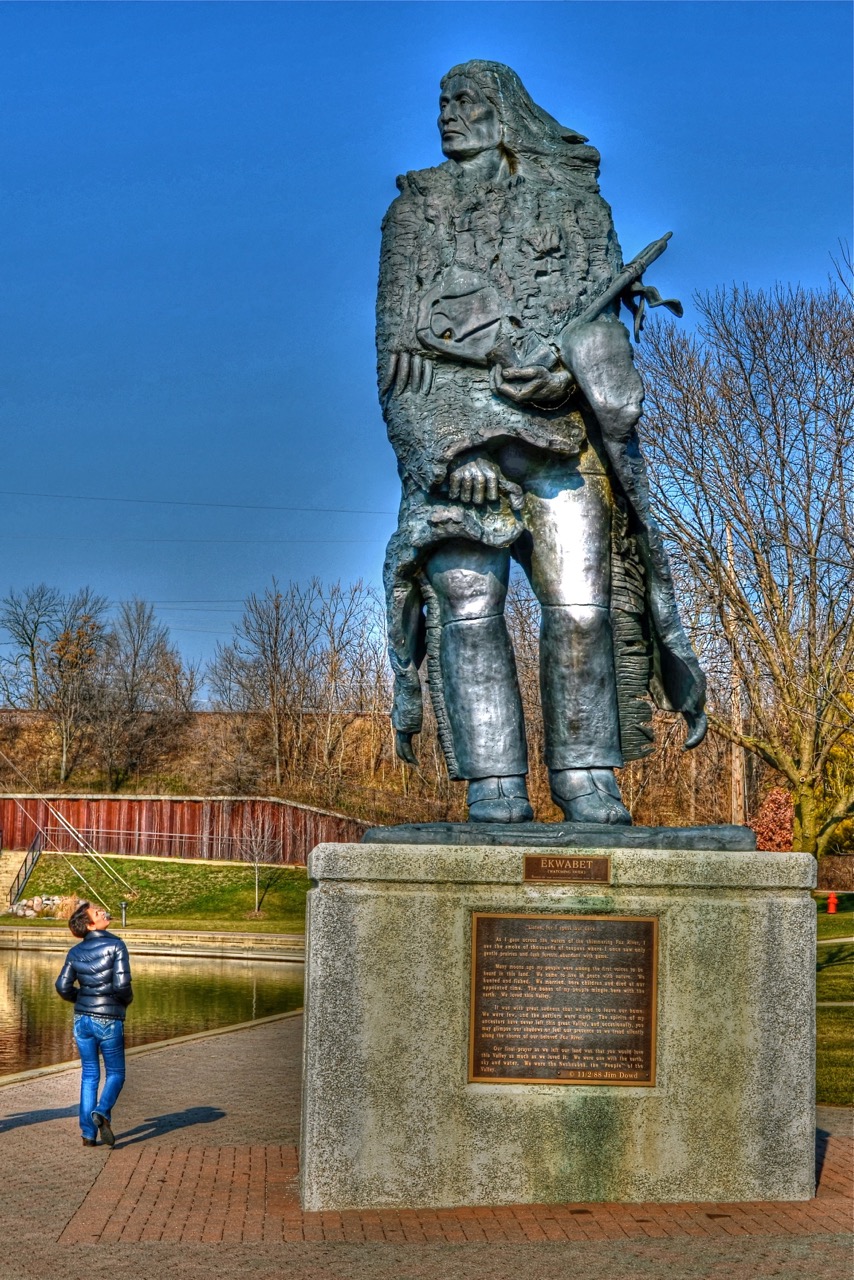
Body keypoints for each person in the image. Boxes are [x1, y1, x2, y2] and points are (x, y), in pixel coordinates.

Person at [378, 60, 707, 824]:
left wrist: (566, 373)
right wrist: (452, 450)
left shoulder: (577, 205)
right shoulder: (414, 214)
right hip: (457, 448)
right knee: (469, 607)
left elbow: (601, 330)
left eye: (465, 102)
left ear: (504, 111)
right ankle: (495, 784)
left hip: (561, 437)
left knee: (584, 608)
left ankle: (587, 773)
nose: (448, 116)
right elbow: (398, 359)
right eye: (441, 103)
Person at [55, 900, 133, 1147]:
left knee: (89, 1076)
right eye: (97, 912)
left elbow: (62, 986)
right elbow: (122, 986)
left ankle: (88, 1134)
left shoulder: (75, 952)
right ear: (89, 925)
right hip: (109, 1018)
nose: (102, 911)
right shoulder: (116, 945)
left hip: (82, 1019)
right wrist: (124, 1002)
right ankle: (101, 1111)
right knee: (117, 1074)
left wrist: (82, 999)